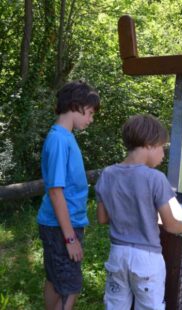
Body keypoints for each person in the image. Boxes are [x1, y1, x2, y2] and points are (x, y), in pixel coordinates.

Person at [95, 114, 182, 309]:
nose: (163, 155)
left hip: (118, 255)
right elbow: (170, 225)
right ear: (150, 143)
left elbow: (102, 218)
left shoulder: (107, 174)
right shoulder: (155, 178)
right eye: (162, 148)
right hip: (147, 260)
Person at [37, 80, 100, 310]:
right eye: (90, 113)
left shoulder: (65, 137)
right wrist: (70, 238)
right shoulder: (59, 140)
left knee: (56, 280)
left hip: (63, 225)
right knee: (71, 285)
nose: (91, 119)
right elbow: (55, 191)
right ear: (77, 106)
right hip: (61, 227)